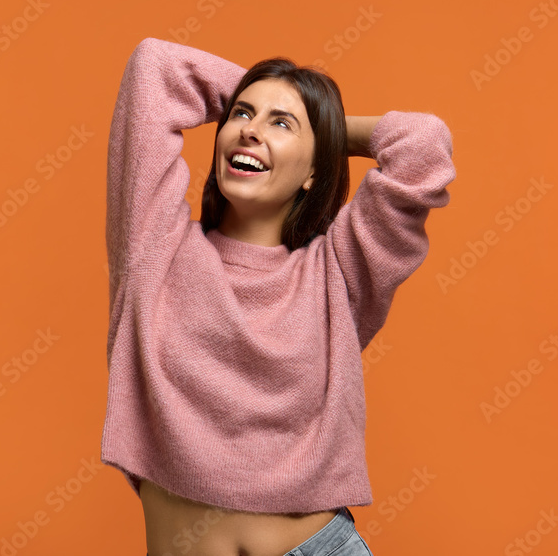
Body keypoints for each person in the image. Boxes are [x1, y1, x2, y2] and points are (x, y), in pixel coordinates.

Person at [101, 37, 456, 555]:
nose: (250, 129)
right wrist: (283, 110)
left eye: (279, 124)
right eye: (242, 114)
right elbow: (156, 66)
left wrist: (323, 124)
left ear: (314, 168)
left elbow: (424, 146)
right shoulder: (154, 250)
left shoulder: (337, 272)